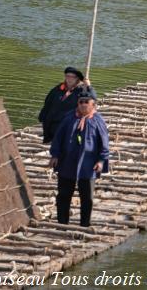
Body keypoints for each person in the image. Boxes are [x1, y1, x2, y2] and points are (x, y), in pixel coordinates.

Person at [49, 89, 109, 227]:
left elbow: (104, 143)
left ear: (93, 104)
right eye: (80, 102)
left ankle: (84, 224)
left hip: (89, 163)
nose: (83, 105)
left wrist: (101, 161)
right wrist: (55, 155)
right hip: (67, 161)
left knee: (87, 197)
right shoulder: (69, 118)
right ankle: (62, 223)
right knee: (64, 195)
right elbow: (58, 138)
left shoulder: (98, 121)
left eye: (86, 102)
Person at [38, 67, 92, 143]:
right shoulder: (58, 88)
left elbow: (92, 100)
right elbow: (48, 103)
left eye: (72, 77)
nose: (69, 79)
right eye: (67, 76)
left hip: (69, 125)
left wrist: (89, 87)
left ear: (77, 79)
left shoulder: (82, 90)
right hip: (53, 123)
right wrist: (42, 116)